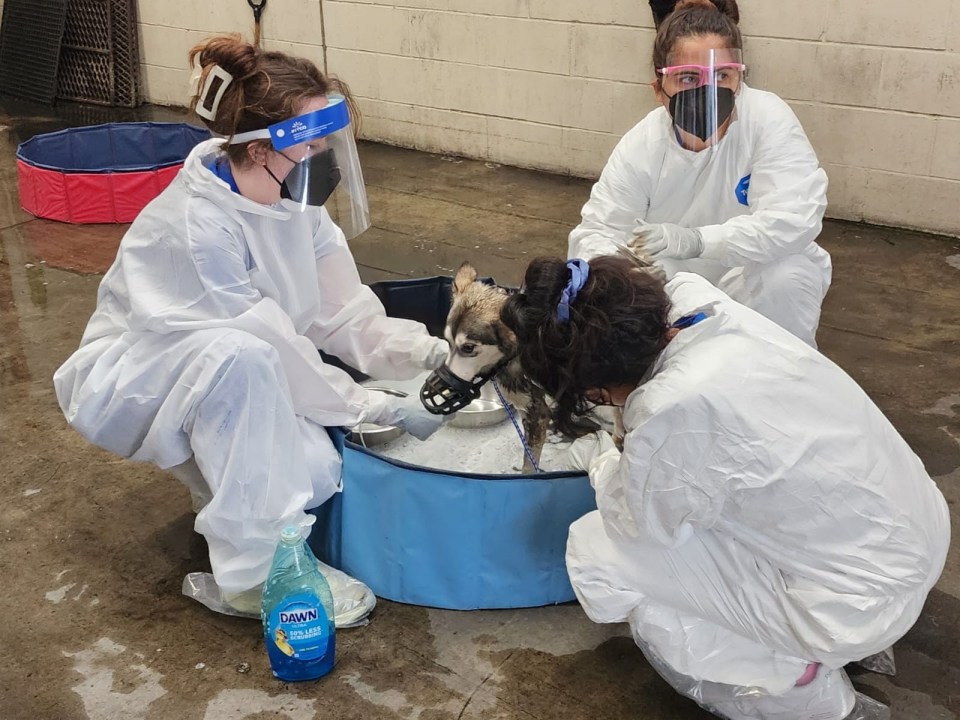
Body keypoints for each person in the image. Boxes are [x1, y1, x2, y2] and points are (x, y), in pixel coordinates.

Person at [53, 35, 448, 613]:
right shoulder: (199, 225)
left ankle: (225, 492)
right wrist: (375, 407)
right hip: (139, 376)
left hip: (228, 366)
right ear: (262, 151)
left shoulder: (295, 207)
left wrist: (429, 354)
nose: (326, 161)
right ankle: (260, 578)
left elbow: (344, 313)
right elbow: (270, 348)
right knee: (242, 357)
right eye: (312, 147)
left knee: (312, 471)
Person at [500, 256, 950, 720]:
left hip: (857, 603)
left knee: (597, 552)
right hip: (917, 531)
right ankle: (854, 646)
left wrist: (604, 461)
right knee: (718, 512)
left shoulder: (672, 408)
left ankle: (808, 695)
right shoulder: (703, 306)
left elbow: (642, 528)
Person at [569, 0, 831, 347]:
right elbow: (599, 232)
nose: (709, 91)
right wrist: (626, 276)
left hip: (749, 275)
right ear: (659, 91)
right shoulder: (643, 145)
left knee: (787, 275)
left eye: (723, 75)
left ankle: (778, 379)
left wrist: (697, 241)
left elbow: (792, 220)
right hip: (673, 282)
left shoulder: (767, 120)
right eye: (689, 77)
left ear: (740, 77)